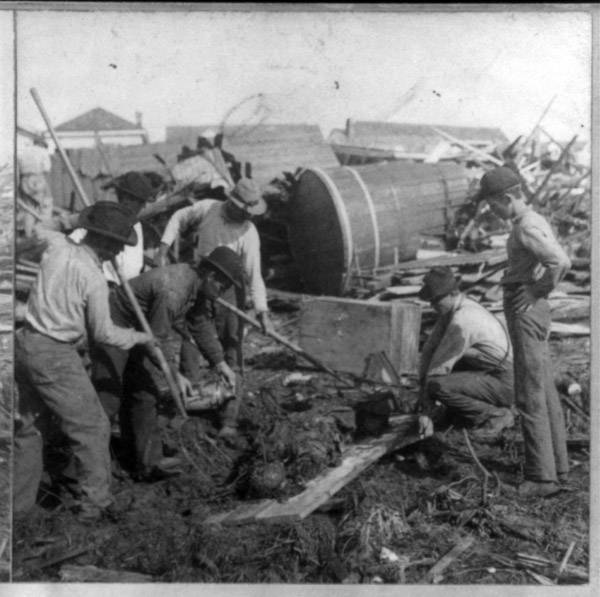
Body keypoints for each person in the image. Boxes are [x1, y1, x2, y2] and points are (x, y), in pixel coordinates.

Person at [13, 202, 152, 520]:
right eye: (117, 245)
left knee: (27, 428)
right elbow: (104, 334)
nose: (117, 253)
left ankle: (17, 508)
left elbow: (44, 226)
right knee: (91, 426)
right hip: (54, 355)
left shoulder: (57, 245)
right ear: (105, 241)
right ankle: (94, 505)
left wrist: (73, 219)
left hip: (24, 344)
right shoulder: (93, 278)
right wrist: (139, 337)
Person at [92, 246, 244, 479]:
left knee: (145, 393)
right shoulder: (174, 290)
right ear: (211, 276)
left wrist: (220, 363)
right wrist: (175, 374)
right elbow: (157, 340)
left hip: (142, 329)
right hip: (115, 323)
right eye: (222, 287)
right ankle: (89, 470)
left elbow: (200, 323)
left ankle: (146, 464)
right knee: (109, 397)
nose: (221, 293)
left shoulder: (198, 285)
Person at [478, 166, 571, 498]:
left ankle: (541, 478)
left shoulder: (527, 225)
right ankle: (558, 466)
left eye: (493, 205)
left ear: (507, 198)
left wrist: (535, 291)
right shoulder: (531, 221)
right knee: (543, 388)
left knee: (529, 394)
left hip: (526, 309)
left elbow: (560, 262)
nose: (492, 212)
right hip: (531, 309)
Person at [157, 177, 274, 369]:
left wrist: (262, 312)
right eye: (244, 211)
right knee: (193, 331)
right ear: (232, 203)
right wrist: (162, 248)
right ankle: (190, 383)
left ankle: (232, 387)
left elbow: (255, 274)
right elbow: (179, 217)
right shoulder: (208, 208)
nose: (248, 216)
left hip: (229, 286)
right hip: (199, 278)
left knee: (231, 338)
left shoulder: (249, 231)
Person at [416, 267, 514, 439]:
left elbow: (439, 368)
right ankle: (456, 412)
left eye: (436, 300)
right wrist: (422, 395)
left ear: (453, 293)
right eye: (430, 301)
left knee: (437, 385)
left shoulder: (463, 320)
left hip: (506, 381)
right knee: (437, 382)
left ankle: (495, 414)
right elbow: (429, 350)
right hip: (491, 374)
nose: (432, 305)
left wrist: (426, 410)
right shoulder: (453, 310)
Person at [70, 171, 157, 285]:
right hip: (97, 282)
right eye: (141, 202)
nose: (144, 207)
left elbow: (132, 267)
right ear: (127, 199)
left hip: (122, 285)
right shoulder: (101, 216)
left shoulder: (134, 224)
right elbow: (73, 248)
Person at [17, 136, 54, 236]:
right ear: (42, 145)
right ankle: (45, 233)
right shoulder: (43, 151)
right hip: (37, 178)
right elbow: (47, 168)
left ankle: (28, 234)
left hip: (24, 179)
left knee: (29, 208)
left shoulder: (22, 152)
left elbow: (17, 169)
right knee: (45, 205)